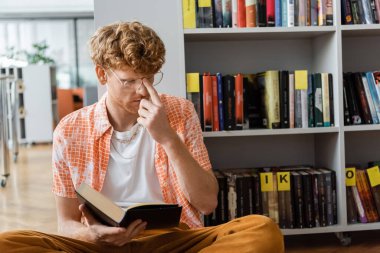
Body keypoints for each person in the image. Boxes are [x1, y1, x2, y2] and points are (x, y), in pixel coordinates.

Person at [0, 21, 284, 253]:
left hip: (173, 240)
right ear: (102, 74)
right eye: (129, 80)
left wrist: (168, 138)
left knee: (261, 231)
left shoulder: (179, 112)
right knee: (8, 244)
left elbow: (207, 202)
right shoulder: (70, 129)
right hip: (102, 245)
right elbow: (66, 224)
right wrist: (93, 236)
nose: (142, 91)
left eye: (149, 78)